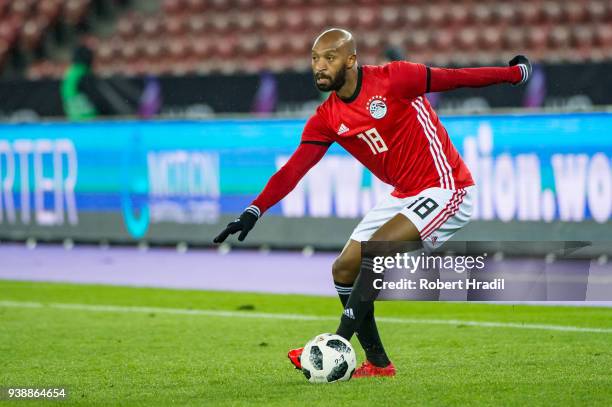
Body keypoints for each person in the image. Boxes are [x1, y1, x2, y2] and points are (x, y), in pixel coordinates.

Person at [213, 28, 531, 377]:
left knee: (376, 250)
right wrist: (254, 210)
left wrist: (514, 74)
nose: (319, 66)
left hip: (447, 187)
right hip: (404, 194)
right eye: (315, 59)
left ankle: (335, 345)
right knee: (344, 267)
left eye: (329, 58)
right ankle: (378, 363)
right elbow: (293, 170)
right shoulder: (327, 118)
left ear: (351, 59)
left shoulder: (395, 79)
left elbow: (454, 79)